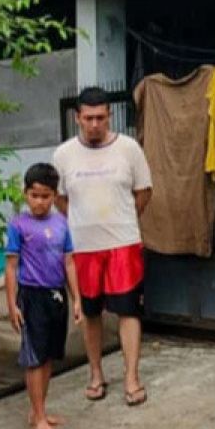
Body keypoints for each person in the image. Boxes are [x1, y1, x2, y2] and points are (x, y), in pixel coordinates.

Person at [52, 87, 153, 407]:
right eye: (88, 118)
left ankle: (131, 377)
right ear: (78, 118)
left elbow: (143, 192)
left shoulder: (129, 149)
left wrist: (122, 220)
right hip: (83, 248)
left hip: (123, 244)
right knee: (90, 313)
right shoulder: (64, 155)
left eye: (100, 117)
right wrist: (83, 222)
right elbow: (59, 198)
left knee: (128, 310)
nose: (94, 124)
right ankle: (95, 373)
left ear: (110, 115)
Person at [4, 163, 82, 429]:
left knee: (49, 355)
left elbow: (69, 262)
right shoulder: (18, 226)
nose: (39, 202)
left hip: (56, 296)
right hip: (32, 296)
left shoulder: (62, 223)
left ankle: (40, 409)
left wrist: (77, 300)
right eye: (34, 195)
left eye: (45, 196)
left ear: (54, 195)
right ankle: (37, 416)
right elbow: (11, 268)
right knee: (34, 358)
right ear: (26, 194)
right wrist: (12, 304)